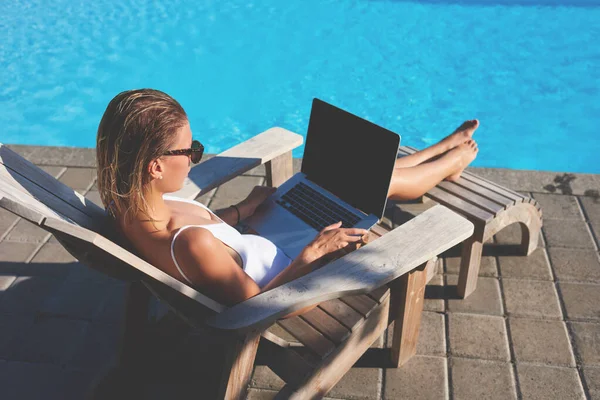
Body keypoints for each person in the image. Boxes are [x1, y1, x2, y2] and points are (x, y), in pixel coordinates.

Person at [96, 89, 478, 307]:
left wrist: (245, 207)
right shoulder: (190, 244)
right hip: (292, 271)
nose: (197, 157)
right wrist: (314, 254)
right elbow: (260, 308)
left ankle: (439, 150)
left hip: (259, 235)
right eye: (190, 151)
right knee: (377, 189)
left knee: (361, 182)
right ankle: (456, 157)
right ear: (155, 168)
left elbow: (202, 235)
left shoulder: (125, 207)